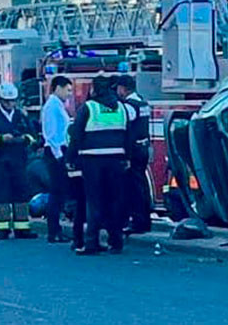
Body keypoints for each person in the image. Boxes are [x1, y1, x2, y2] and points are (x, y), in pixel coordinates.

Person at [68, 76, 130, 255]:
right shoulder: (121, 108)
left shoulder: (89, 107)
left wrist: (70, 159)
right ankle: (116, 242)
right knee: (113, 201)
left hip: (92, 160)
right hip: (116, 160)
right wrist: (127, 157)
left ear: (94, 89)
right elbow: (128, 135)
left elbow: (76, 135)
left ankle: (91, 243)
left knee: (94, 202)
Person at [0, 83, 39, 240]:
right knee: (1, 194)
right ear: (1, 100)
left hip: (19, 160)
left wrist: (25, 139)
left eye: (13, 101)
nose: (10, 104)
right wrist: (1, 138)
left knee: (21, 193)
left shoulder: (22, 115)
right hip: (0, 161)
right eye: (7, 101)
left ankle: (22, 228)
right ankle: (2, 229)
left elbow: (32, 135)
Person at [115, 75, 152, 235]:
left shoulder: (129, 107)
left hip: (133, 151)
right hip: (143, 148)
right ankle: (145, 219)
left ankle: (137, 221)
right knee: (142, 185)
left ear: (123, 88)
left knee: (133, 188)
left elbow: (125, 129)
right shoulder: (143, 103)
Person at [41, 76, 73, 244]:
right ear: (57, 88)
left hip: (59, 151)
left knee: (60, 192)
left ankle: (56, 230)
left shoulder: (58, 105)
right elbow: (51, 134)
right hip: (55, 152)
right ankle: (53, 231)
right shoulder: (52, 107)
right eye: (67, 90)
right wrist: (59, 156)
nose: (69, 94)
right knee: (57, 192)